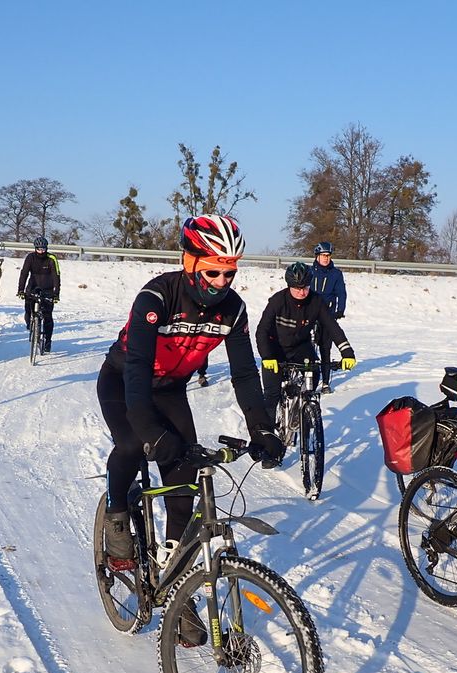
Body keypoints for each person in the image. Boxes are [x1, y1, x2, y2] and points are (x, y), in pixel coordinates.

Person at [96, 215, 285, 644]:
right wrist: (150, 433)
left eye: (229, 271)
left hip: (171, 389)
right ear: (188, 260)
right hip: (125, 380)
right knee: (130, 444)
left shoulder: (234, 310)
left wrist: (262, 428)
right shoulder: (156, 297)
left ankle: (178, 591)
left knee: (185, 482)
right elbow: (139, 369)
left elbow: (243, 374)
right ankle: (117, 515)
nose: (221, 281)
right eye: (212, 270)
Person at [256, 262, 357, 423]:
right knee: (271, 395)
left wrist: (347, 353)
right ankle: (266, 437)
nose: (302, 292)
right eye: (297, 288)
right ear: (289, 286)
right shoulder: (278, 301)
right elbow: (262, 331)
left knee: (314, 373)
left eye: (305, 287)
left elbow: (332, 327)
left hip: (301, 347)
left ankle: (301, 407)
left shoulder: (316, 301)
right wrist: (267, 356)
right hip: (275, 348)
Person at [308, 241, 348, 392]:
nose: (326, 258)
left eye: (328, 255)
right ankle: (308, 380)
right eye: (323, 255)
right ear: (317, 256)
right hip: (310, 314)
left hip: (328, 314)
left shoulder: (336, 274)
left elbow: (341, 293)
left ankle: (325, 382)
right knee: (307, 348)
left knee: (325, 349)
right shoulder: (310, 271)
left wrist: (340, 310)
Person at [17, 236, 61, 353]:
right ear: (35, 248)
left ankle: (47, 341)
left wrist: (56, 293)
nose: (41, 251)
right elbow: (24, 274)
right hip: (33, 287)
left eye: (43, 249)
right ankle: (30, 323)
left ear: (46, 248)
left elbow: (56, 276)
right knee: (28, 309)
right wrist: (21, 290)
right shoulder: (30, 257)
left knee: (47, 317)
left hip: (48, 289)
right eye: (39, 249)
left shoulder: (51, 258)